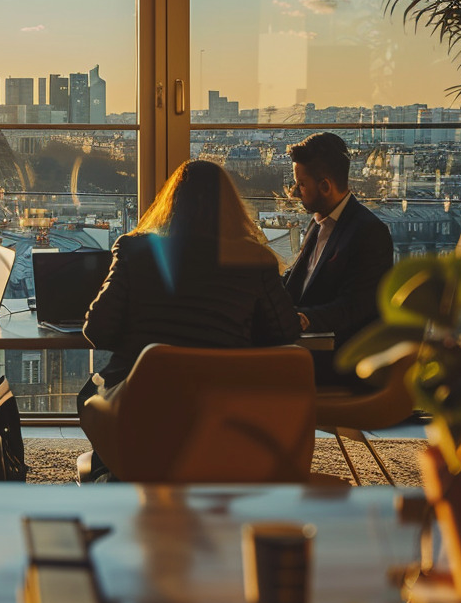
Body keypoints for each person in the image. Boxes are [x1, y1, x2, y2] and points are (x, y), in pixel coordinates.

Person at [80, 159, 301, 416]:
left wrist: (144, 337)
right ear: (231, 207)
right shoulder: (255, 260)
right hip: (221, 411)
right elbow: (285, 332)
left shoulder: (134, 250)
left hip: (140, 407)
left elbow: (97, 330)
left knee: (92, 397)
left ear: (171, 203)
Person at [283, 132, 394, 387]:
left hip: (341, 359)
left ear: (325, 186)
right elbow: (297, 280)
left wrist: (304, 318)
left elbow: (357, 306)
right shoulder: (320, 222)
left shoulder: (369, 232)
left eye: (301, 184)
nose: (295, 193)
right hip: (311, 346)